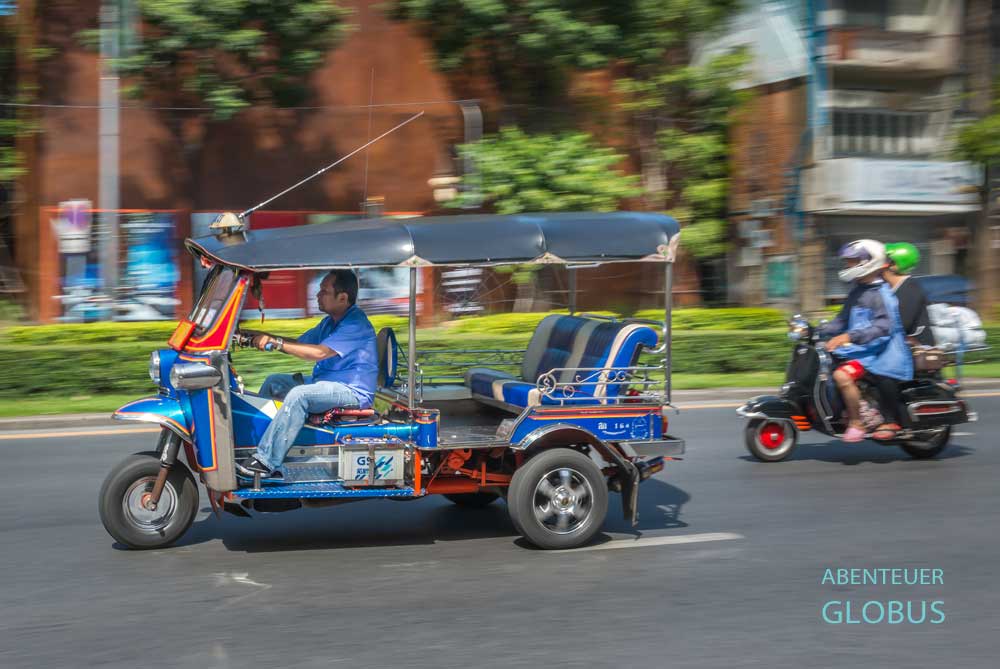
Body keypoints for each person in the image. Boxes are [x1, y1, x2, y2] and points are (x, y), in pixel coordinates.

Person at [236, 269, 378, 478]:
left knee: (299, 394)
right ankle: (259, 443)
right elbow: (300, 343)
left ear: (342, 297)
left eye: (323, 291)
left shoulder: (355, 323)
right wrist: (260, 335)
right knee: (275, 382)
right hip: (329, 382)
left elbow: (318, 353)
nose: (317, 295)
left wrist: (276, 343)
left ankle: (266, 462)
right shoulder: (330, 322)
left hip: (352, 392)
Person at [819, 240, 913, 443]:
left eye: (852, 261)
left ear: (870, 262)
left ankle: (857, 423)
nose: (848, 266)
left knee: (842, 376)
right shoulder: (857, 291)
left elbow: (882, 328)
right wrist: (817, 330)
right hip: (862, 350)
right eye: (847, 261)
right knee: (825, 368)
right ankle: (849, 410)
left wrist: (848, 337)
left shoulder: (880, 295)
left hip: (881, 352)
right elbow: (842, 321)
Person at [883, 242, 935, 346]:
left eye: (882, 260)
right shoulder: (888, 287)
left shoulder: (910, 290)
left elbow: (900, 325)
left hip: (917, 354)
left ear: (893, 264)